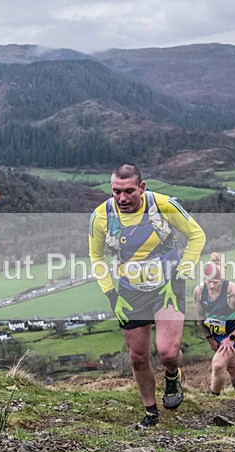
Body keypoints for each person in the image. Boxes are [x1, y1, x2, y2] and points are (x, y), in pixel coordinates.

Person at [89, 164, 206, 429]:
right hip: (129, 292)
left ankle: (172, 375)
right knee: (138, 357)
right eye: (116, 192)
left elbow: (196, 236)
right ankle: (151, 413)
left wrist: (180, 274)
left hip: (167, 286)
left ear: (141, 187)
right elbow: (96, 257)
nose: (122, 198)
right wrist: (110, 294)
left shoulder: (162, 205)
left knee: (167, 352)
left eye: (129, 191)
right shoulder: (101, 216)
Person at [193, 252, 235, 397]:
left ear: (222, 279)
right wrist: (209, 338)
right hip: (217, 332)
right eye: (208, 281)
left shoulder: (234, 292)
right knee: (233, 368)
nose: (211, 285)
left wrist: (232, 338)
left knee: (218, 364)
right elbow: (200, 316)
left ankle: (212, 399)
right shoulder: (199, 291)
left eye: (215, 282)